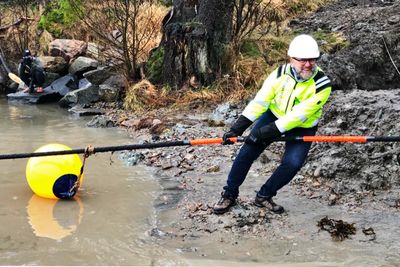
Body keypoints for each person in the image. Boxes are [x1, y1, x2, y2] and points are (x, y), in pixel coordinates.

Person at [213, 34, 332, 215]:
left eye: (312, 60)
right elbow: (260, 102)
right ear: (291, 58)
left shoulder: (322, 85)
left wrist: (265, 132)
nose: (308, 64)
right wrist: (237, 129)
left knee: (293, 163)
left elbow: (298, 116)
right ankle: (229, 193)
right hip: (274, 115)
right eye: (303, 60)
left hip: (303, 125)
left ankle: (264, 196)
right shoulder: (279, 74)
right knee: (247, 151)